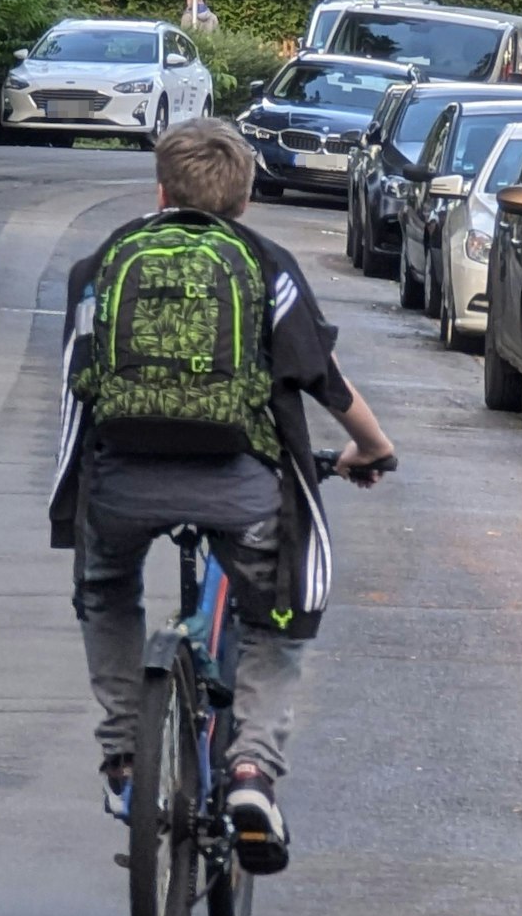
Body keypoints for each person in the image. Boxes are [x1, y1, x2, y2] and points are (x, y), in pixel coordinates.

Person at [49, 117, 396, 875]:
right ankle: (251, 775)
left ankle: (124, 761)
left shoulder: (102, 265)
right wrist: (372, 448)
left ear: (161, 189)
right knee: (275, 619)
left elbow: (77, 392)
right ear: (245, 200)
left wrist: (74, 502)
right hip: (241, 490)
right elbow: (322, 380)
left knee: (105, 590)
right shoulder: (264, 263)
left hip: (122, 483)